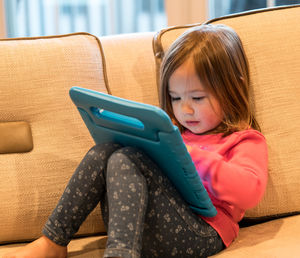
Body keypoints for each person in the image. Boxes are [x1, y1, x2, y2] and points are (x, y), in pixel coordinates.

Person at [3, 24, 268, 258]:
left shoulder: (244, 139)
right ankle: (53, 241)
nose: (185, 109)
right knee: (105, 152)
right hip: (137, 221)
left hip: (203, 232)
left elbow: (250, 192)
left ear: (233, 87)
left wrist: (192, 157)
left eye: (197, 98)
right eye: (175, 98)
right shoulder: (170, 131)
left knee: (127, 158)